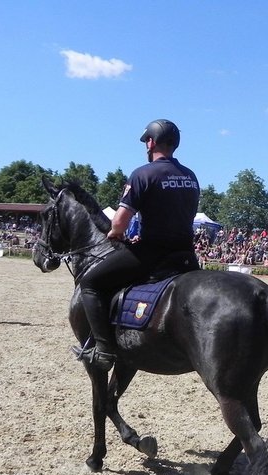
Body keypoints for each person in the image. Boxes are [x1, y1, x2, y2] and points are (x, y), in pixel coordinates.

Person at [76, 119, 200, 370]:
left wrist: (116, 234)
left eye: (147, 141)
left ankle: (103, 350)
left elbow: (120, 222)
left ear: (151, 142)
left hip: (152, 253)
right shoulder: (190, 176)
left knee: (90, 284)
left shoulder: (143, 173)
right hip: (186, 256)